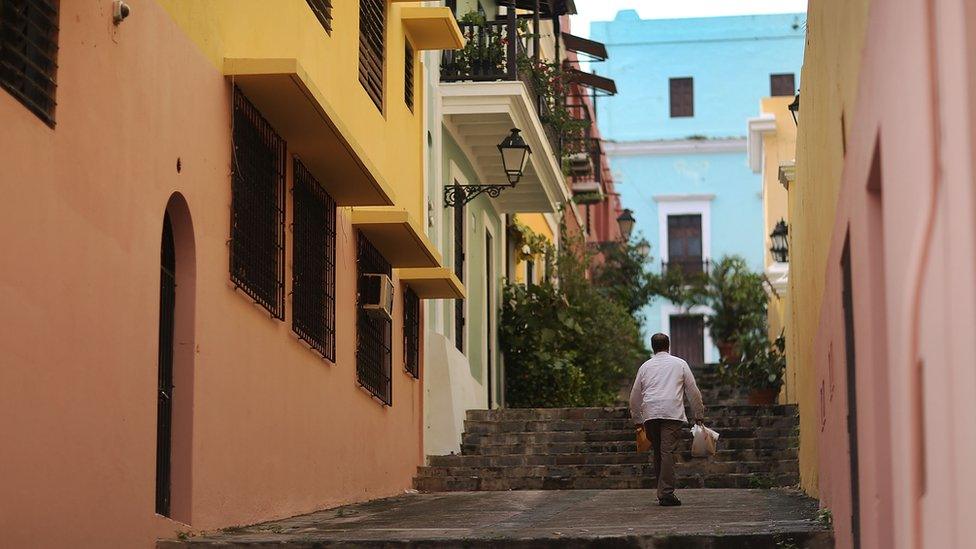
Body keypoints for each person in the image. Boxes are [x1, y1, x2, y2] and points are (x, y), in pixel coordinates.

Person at [629, 332, 705, 507]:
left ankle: (661, 490)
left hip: (650, 413)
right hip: (671, 412)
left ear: (652, 347)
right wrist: (699, 414)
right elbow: (692, 391)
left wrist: (637, 420)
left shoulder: (645, 367)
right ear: (668, 346)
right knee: (667, 452)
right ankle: (666, 493)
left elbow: (635, 395)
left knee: (658, 452)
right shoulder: (680, 364)